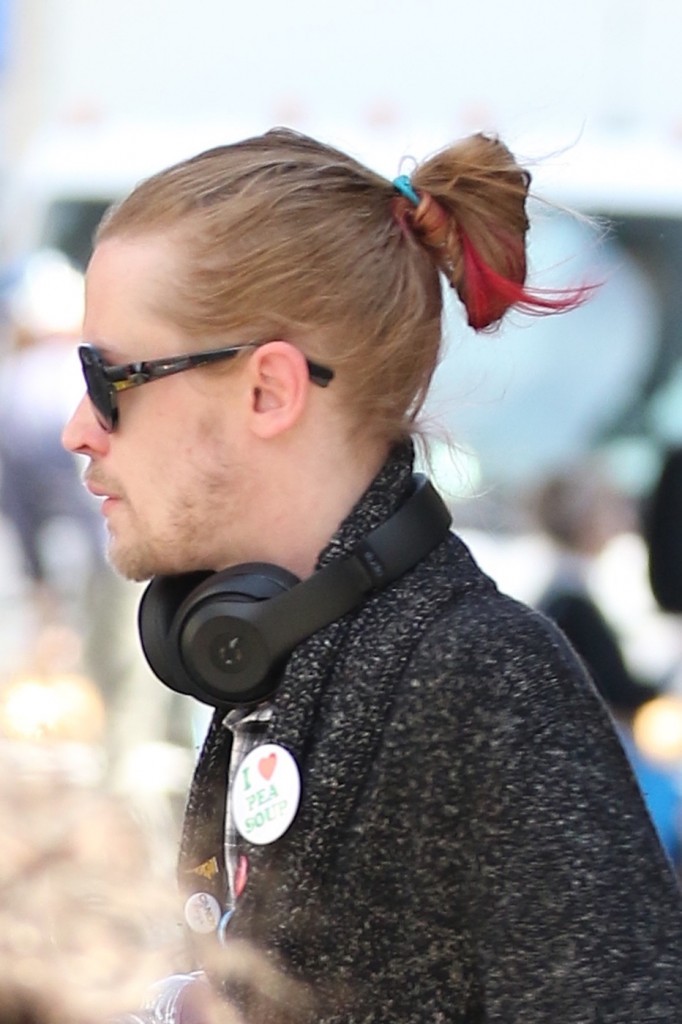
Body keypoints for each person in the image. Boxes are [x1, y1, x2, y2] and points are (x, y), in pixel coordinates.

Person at [61, 127, 682, 1023]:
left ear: (269, 390)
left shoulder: (483, 682)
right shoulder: (272, 654)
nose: (77, 426)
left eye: (110, 377)